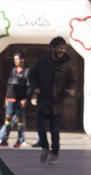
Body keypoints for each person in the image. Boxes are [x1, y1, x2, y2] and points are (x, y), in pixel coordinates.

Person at [28, 36, 76, 165]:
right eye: (59, 47)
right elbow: (32, 76)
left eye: (64, 48)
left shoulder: (66, 64)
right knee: (41, 129)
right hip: (43, 101)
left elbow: (71, 80)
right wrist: (35, 88)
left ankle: (55, 154)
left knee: (55, 130)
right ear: (52, 48)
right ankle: (45, 147)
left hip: (57, 103)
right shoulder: (42, 62)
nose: (62, 50)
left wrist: (71, 89)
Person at [0, 51, 29, 148]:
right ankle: (4, 139)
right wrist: (6, 98)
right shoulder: (13, 70)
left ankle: (20, 140)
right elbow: (9, 86)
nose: (16, 61)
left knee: (20, 121)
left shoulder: (26, 71)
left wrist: (25, 99)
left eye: (17, 59)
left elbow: (29, 87)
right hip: (10, 100)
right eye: (14, 59)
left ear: (22, 59)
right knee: (8, 120)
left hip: (19, 100)